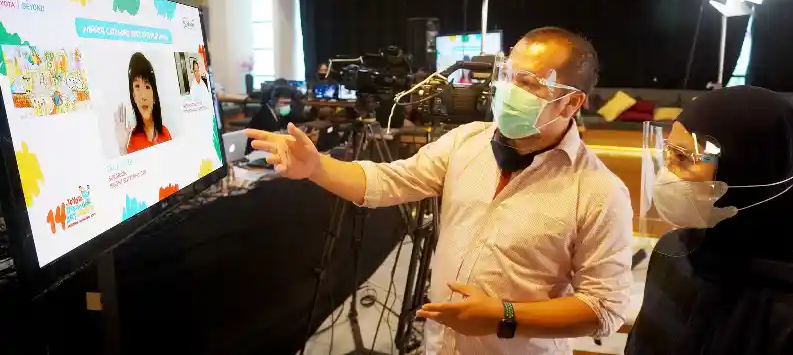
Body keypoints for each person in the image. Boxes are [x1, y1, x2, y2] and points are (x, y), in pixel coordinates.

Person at [248, 27, 633, 354]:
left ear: (571, 102)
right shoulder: (466, 142)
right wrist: (317, 167)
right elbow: (388, 181)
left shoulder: (599, 192)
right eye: (507, 74)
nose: (508, 89)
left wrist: (505, 316)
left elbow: (604, 308)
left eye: (528, 82)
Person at [625, 86, 793, 355]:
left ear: (746, 170)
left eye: (684, 158)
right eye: (668, 153)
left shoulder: (788, 308)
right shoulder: (673, 252)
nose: (667, 172)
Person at [116, 52, 172, 154]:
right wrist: (122, 147)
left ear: (154, 96)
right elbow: (130, 165)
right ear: (133, 97)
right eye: (137, 86)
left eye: (147, 87)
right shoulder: (133, 139)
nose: (143, 96)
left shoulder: (165, 133)